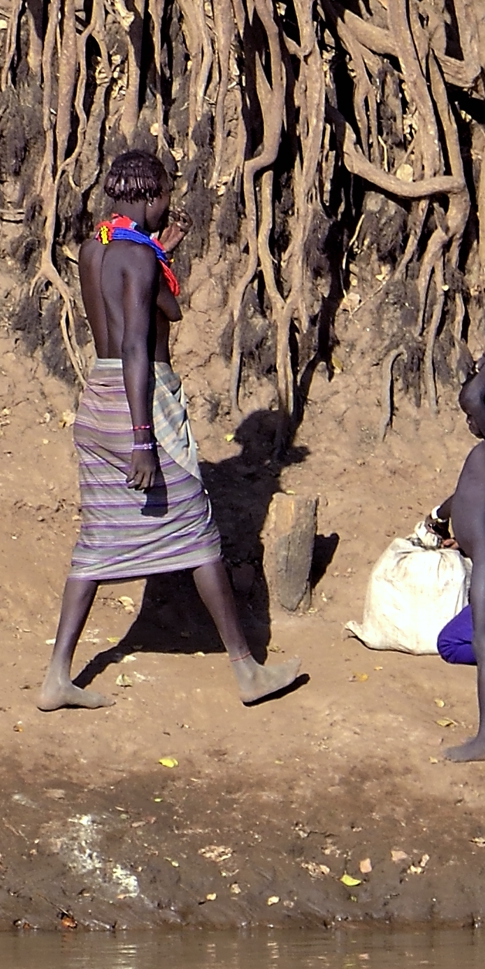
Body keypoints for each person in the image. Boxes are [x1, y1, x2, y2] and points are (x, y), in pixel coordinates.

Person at [38, 148, 301, 711]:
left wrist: (162, 252)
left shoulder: (95, 248)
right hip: (139, 402)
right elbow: (138, 345)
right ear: (152, 196)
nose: (167, 207)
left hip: (98, 398)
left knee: (97, 541)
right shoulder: (137, 257)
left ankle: (56, 678)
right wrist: (143, 439)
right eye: (166, 198)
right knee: (198, 535)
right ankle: (247, 671)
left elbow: (144, 312)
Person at [427, 351, 485, 762]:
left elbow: (470, 399)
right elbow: (466, 495)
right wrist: (439, 519)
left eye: (476, 415)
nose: (469, 419)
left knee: (484, 644)